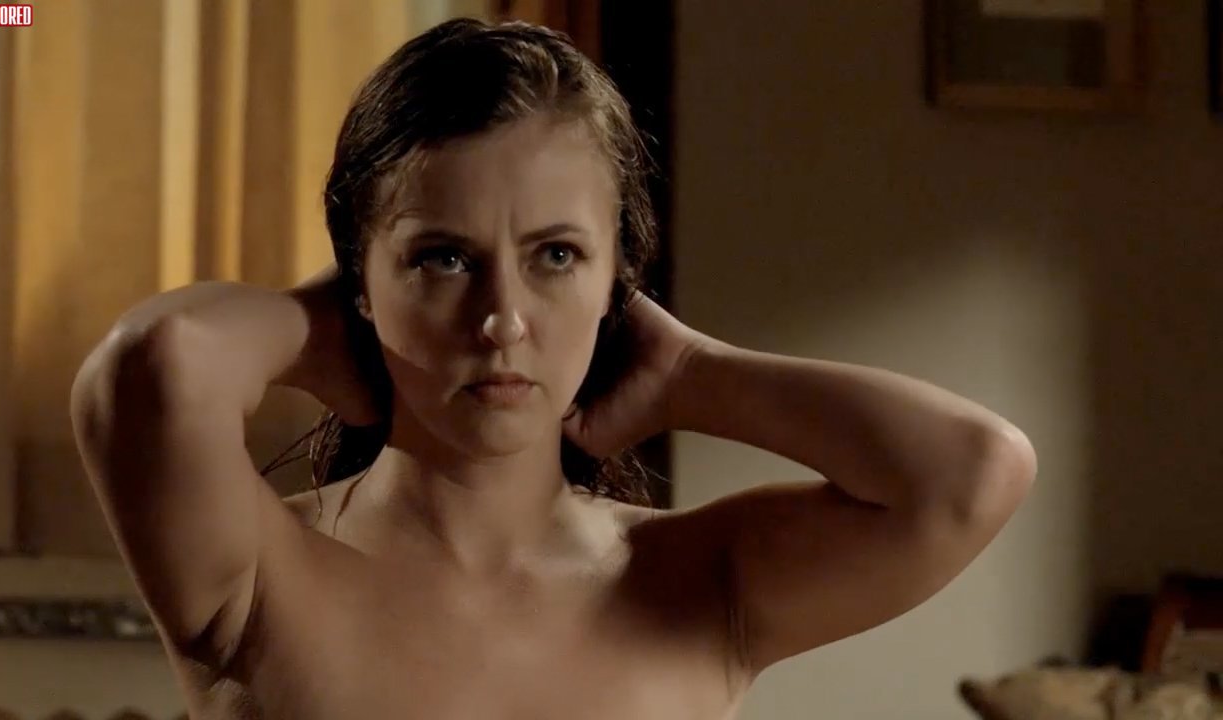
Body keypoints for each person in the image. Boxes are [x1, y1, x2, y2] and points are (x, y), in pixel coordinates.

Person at [69, 18, 1036, 720]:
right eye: (444, 258)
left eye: (557, 255)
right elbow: (155, 367)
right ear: (359, 279)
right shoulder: (257, 573)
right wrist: (322, 329)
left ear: (619, 278)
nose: (502, 321)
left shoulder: (697, 584)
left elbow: (972, 472)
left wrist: (691, 372)